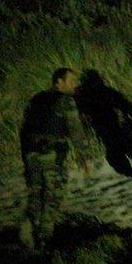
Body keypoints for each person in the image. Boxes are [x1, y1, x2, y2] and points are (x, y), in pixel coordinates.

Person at [18, 68, 90, 251]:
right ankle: (43, 241)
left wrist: (26, 156)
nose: (74, 84)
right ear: (59, 82)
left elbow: (24, 129)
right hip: (51, 156)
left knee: (36, 195)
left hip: (32, 154)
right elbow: (76, 131)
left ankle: (28, 233)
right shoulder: (66, 101)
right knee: (53, 197)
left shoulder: (37, 99)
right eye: (70, 81)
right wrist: (84, 157)